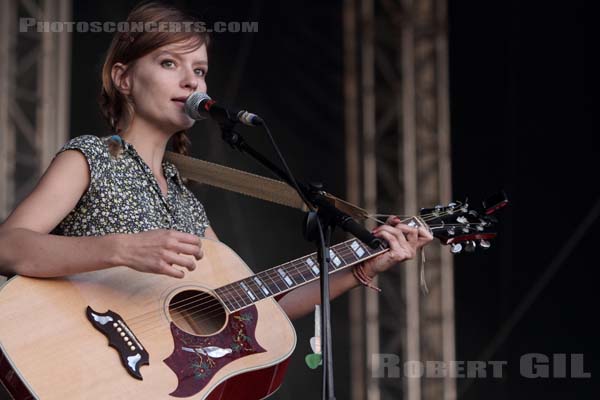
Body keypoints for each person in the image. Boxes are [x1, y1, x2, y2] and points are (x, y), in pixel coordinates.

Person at [0, 1, 432, 321]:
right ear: (123, 78)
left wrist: (359, 266)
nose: (190, 80)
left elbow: (253, 308)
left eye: (200, 70)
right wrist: (122, 249)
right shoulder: (90, 157)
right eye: (169, 62)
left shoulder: (189, 205)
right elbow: (8, 246)